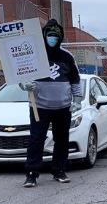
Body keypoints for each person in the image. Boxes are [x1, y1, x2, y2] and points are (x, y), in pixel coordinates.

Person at [18, 19, 82, 188]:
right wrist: (24, 85)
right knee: (36, 139)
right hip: (39, 106)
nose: (52, 38)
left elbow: (75, 80)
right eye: (50, 35)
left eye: (55, 36)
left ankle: (59, 170)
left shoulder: (67, 57)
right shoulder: (34, 56)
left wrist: (77, 100)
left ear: (60, 37)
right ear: (44, 36)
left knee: (62, 139)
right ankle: (32, 173)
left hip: (63, 107)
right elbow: (21, 76)